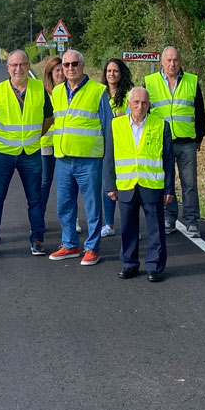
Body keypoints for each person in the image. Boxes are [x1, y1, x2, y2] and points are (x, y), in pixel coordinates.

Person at [48, 50, 115, 265]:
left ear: (82, 65)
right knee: (64, 205)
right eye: (66, 65)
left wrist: (108, 158)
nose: (69, 68)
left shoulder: (98, 91)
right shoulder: (57, 92)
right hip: (63, 158)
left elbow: (108, 127)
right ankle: (69, 245)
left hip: (89, 159)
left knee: (92, 205)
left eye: (74, 64)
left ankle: (92, 248)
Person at [0, 50, 54, 257]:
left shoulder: (39, 89)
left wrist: (33, 137)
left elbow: (48, 118)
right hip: (3, 153)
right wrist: (3, 138)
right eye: (14, 65)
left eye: (22, 65)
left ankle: (37, 239)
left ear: (28, 66)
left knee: (35, 199)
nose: (18, 69)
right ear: (8, 68)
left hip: (31, 153)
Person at [105, 87, 175, 282]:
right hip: (126, 184)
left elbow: (168, 160)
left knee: (156, 229)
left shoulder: (161, 125)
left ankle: (155, 266)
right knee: (128, 227)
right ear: (128, 104)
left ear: (149, 104)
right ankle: (129, 264)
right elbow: (109, 157)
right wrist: (110, 184)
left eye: (144, 102)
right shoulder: (115, 125)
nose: (140, 106)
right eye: (136, 102)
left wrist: (169, 188)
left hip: (152, 185)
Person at [143, 46, 205, 237]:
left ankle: (191, 221)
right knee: (166, 182)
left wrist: (199, 138)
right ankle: (169, 218)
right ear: (161, 62)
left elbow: (199, 112)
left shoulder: (192, 81)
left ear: (180, 61)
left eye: (176, 60)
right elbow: (143, 111)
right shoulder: (149, 82)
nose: (172, 64)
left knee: (189, 184)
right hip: (161, 142)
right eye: (168, 60)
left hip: (186, 141)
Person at [100, 58, 133, 238]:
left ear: (122, 74)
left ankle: (130, 224)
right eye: (109, 71)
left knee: (127, 187)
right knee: (108, 185)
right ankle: (109, 224)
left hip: (125, 145)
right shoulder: (100, 94)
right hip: (105, 144)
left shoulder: (129, 93)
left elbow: (133, 115)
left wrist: (119, 116)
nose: (112, 74)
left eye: (116, 71)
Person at [40, 56, 64, 218]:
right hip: (47, 144)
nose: (61, 73)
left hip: (65, 144)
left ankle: (71, 219)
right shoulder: (43, 94)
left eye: (63, 70)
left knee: (66, 185)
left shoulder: (70, 92)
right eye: (57, 70)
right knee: (44, 183)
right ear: (50, 73)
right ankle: (39, 217)